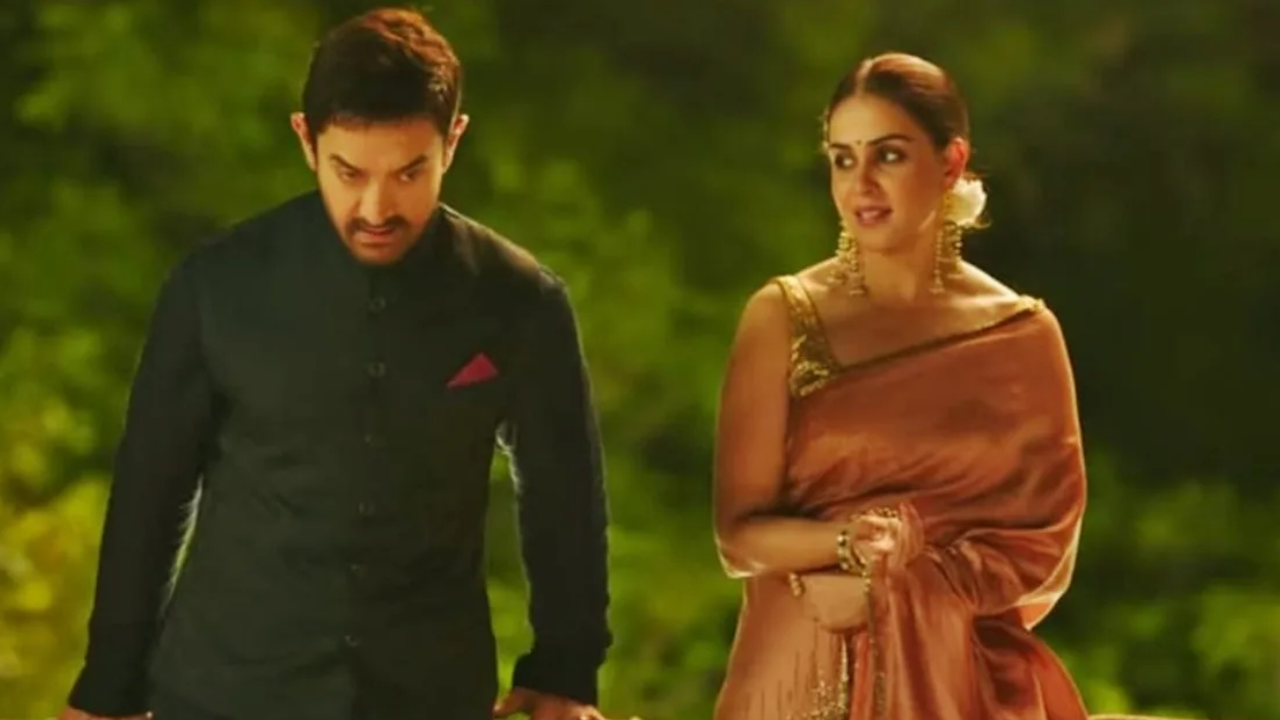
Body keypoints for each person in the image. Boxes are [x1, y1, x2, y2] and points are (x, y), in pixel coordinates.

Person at [58, 8, 611, 720]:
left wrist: (566, 667)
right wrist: (109, 687)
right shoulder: (214, 286)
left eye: (409, 172)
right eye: (349, 172)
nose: (375, 207)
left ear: (453, 142)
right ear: (306, 140)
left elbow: (564, 496)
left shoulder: (520, 300)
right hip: (226, 688)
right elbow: (151, 491)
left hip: (427, 695)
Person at [710, 52, 1092, 720]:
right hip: (797, 673)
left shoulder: (1023, 335)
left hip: (962, 681)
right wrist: (852, 544)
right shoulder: (783, 316)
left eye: (887, 156)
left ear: (950, 162)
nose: (861, 184)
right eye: (842, 159)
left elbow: (1045, 547)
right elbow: (738, 537)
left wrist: (906, 581)